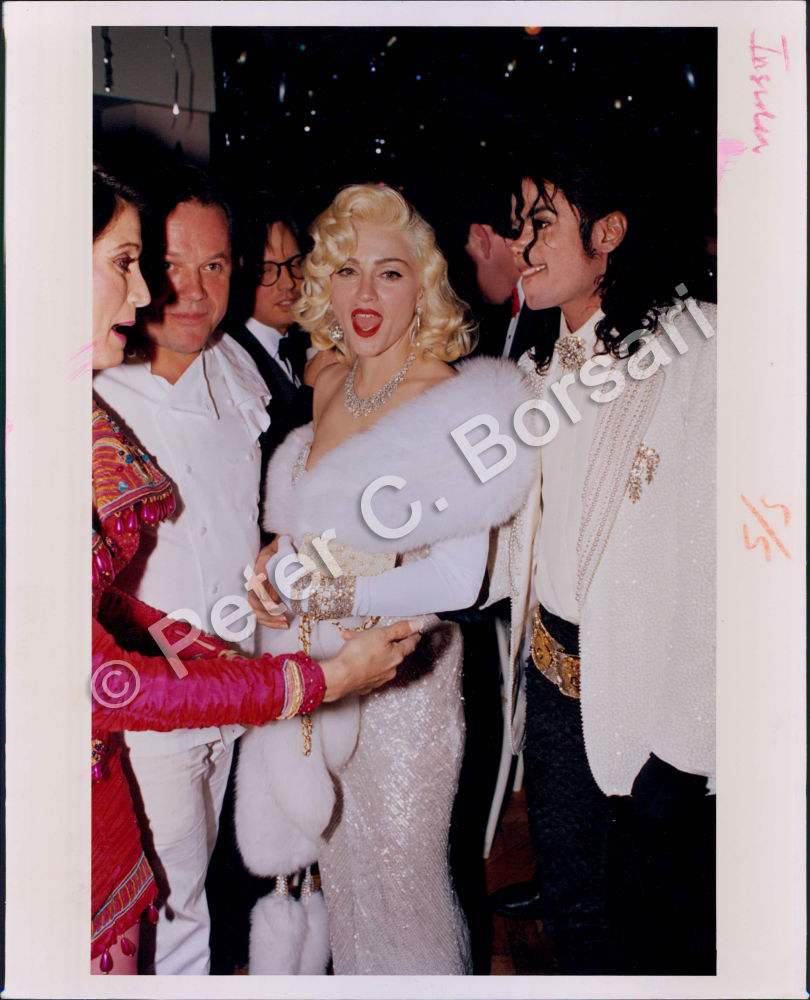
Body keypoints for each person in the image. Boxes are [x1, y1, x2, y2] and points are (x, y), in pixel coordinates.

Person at [90, 167, 422, 975]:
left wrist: (270, 560)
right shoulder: (97, 391)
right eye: (170, 264)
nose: (194, 291)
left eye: (215, 265)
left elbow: (242, 516)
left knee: (195, 899)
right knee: (159, 911)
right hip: (144, 709)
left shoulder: (237, 374)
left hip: (234, 684)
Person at [233, 183, 538, 974]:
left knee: (408, 898)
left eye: (390, 272)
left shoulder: (453, 399)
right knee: (347, 893)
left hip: (407, 691)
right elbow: (316, 526)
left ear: (424, 286)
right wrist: (277, 564)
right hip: (322, 682)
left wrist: (337, 595)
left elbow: (459, 578)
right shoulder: (330, 382)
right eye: (347, 270)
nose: (365, 294)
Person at [486, 127, 716, 974]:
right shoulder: (538, 366)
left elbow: (718, 570)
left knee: (654, 941)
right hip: (552, 682)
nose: (521, 244)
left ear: (608, 232)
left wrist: (688, 748)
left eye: (541, 222)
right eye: (516, 222)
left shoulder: (697, 350)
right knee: (576, 915)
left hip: (653, 701)